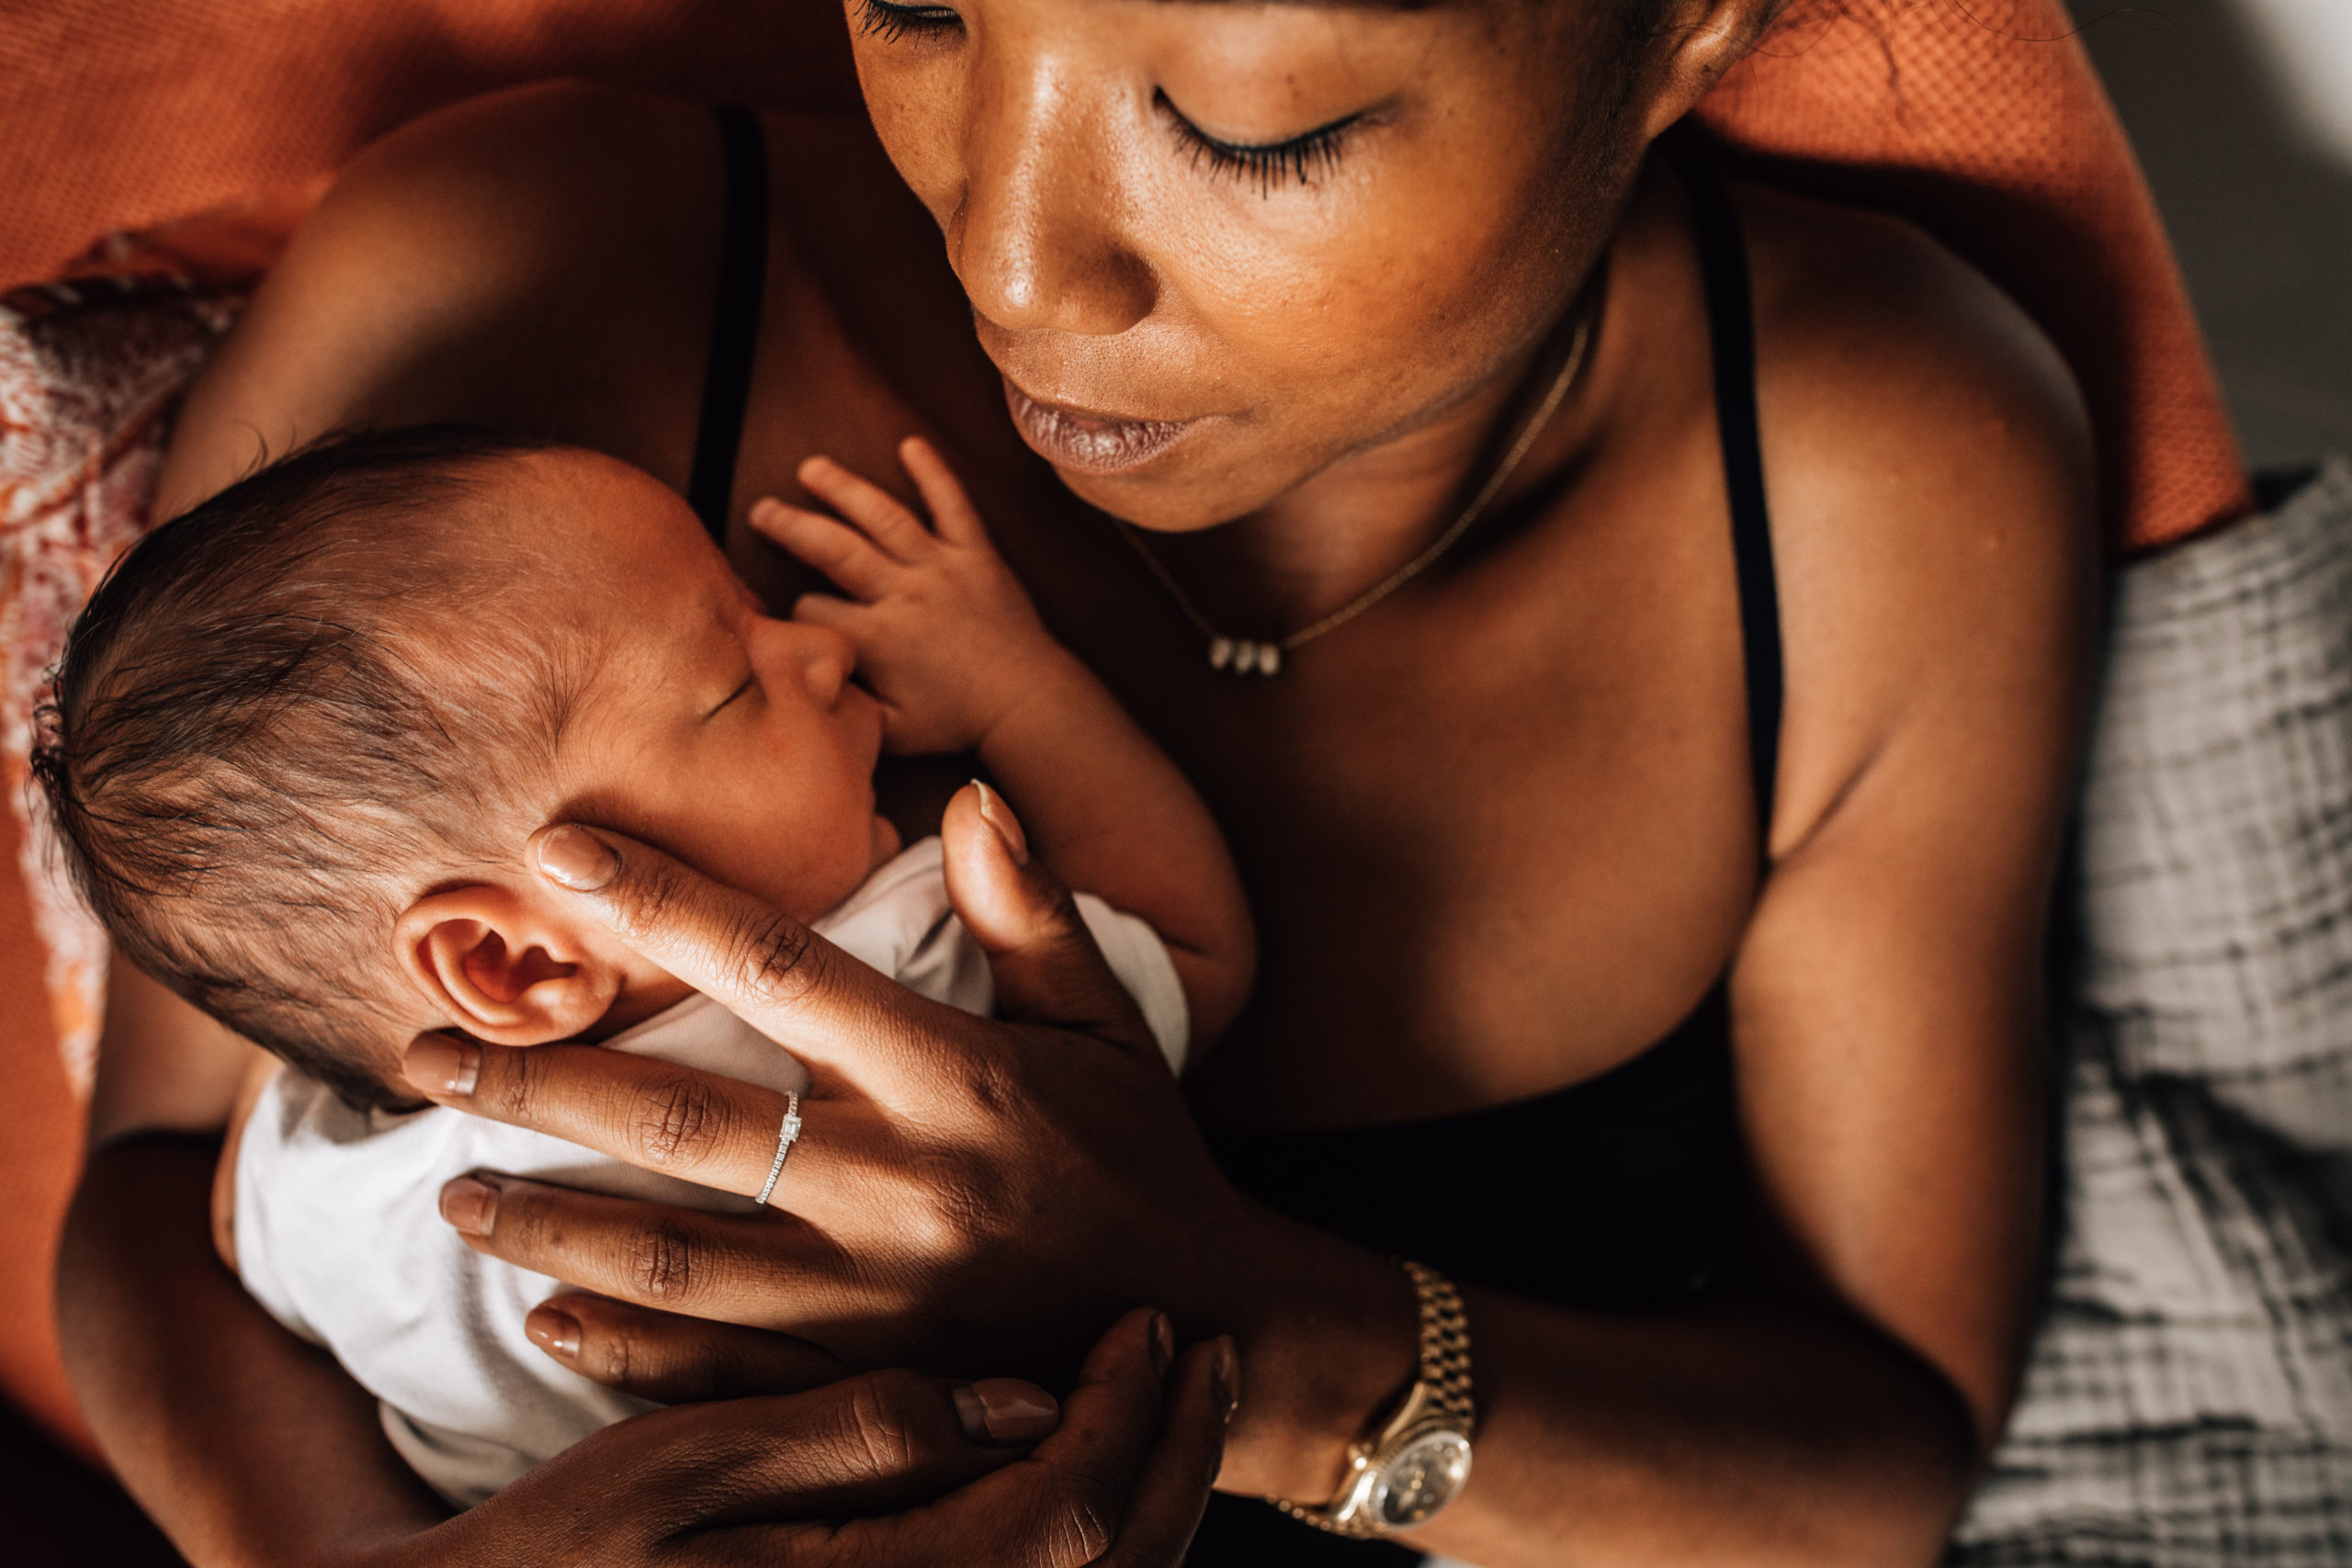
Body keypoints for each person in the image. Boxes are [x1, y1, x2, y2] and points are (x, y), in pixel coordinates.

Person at [62, 0, 2098, 1562]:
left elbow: (1871, 1466)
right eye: (923, 9)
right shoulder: (532, 289)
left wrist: (1249, 1331)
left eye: (1247, 121)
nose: (1009, 262)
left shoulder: (1876, 463)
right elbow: (159, 1200)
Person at [33, 424, 1250, 1506]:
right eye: (731, 688)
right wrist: (1016, 688)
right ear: (508, 961)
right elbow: (1189, 945)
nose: (819, 649)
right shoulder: (901, 992)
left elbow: (241, 1246)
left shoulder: (318, 1188)